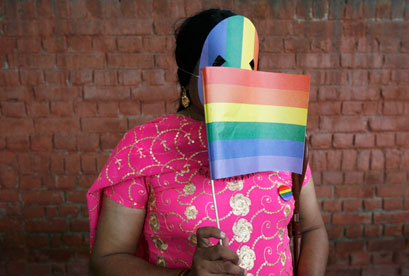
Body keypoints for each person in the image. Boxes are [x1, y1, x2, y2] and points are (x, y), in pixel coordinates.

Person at [88, 9, 328, 276]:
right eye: (221, 65)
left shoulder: (280, 132)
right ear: (187, 71)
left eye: (247, 68)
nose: (234, 81)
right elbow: (107, 260)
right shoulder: (143, 148)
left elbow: (312, 229)